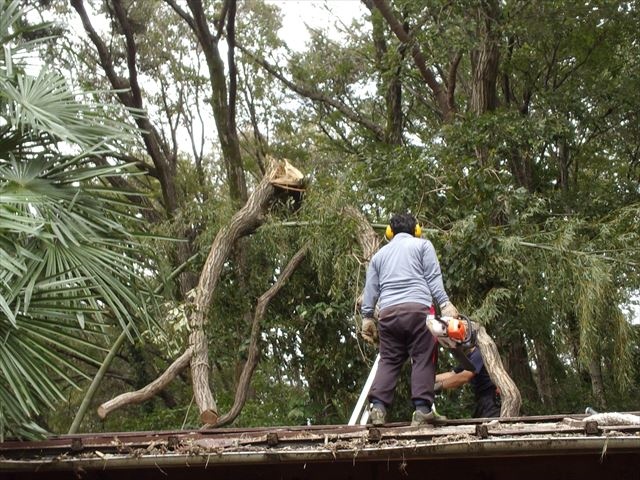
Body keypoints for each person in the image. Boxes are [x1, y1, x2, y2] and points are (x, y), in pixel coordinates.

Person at [360, 212, 459, 427]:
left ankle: (377, 409)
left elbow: (370, 289)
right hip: (418, 311)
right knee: (423, 356)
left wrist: (367, 317)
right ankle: (422, 411)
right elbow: (433, 277)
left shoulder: (379, 256)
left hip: (388, 315)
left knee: (389, 359)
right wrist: (445, 304)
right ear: (417, 231)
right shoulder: (422, 246)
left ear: (389, 232)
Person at [435, 346, 500, 418]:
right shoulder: (468, 359)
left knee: (490, 426)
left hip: (491, 399)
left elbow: (465, 377)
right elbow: (451, 374)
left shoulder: (479, 354)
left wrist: (438, 386)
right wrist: (429, 379)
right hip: (481, 400)